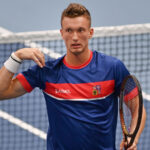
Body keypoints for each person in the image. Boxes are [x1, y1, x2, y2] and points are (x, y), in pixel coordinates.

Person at [0, 3, 146, 150]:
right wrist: (16, 56)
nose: (75, 37)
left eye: (80, 30)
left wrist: (132, 137)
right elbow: (2, 92)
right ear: (62, 33)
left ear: (90, 32)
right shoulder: (46, 71)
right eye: (69, 30)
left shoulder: (113, 68)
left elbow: (137, 108)